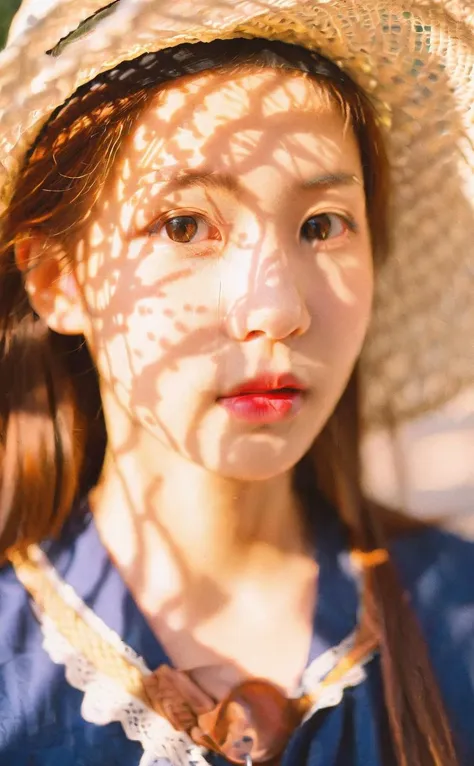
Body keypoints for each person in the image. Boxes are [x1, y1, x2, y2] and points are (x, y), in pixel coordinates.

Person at [0, 1, 473, 765]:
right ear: (58, 281)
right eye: (185, 226)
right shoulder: (14, 681)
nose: (277, 309)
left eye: (322, 225)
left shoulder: (458, 619)